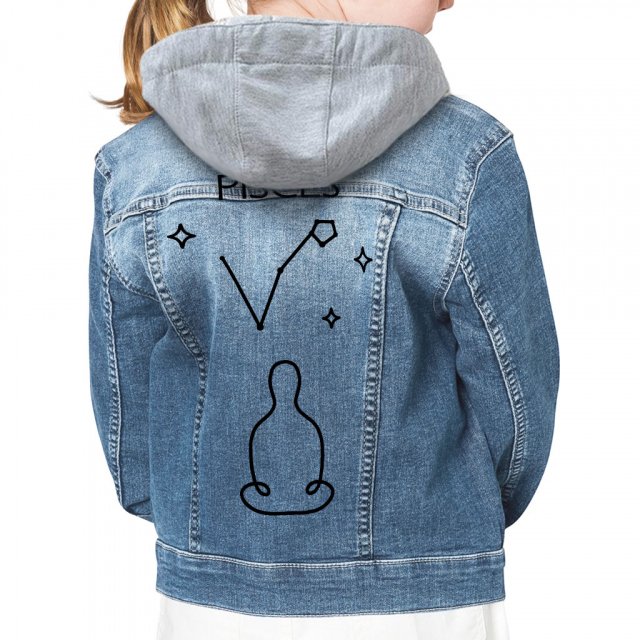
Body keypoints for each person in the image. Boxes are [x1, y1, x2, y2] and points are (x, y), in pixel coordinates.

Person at [89, 1, 560, 638]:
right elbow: (517, 417)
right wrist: (447, 516)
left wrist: (210, 532)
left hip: (212, 606)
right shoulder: (466, 158)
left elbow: (133, 442)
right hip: (427, 603)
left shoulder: (135, 168)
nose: (451, 0)